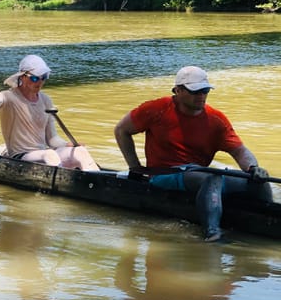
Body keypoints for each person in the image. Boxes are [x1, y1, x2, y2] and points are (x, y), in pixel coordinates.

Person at [114, 65, 272, 242]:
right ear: (178, 90)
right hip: (164, 174)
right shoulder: (156, 108)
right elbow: (121, 130)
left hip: (198, 175)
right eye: (195, 91)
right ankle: (212, 233)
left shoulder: (216, 119)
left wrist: (253, 168)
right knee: (211, 177)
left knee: (260, 182)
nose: (201, 96)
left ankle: (269, 222)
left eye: (205, 91)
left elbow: (240, 150)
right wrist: (135, 167)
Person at [0, 54, 99, 169]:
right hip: (19, 157)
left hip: (42, 154)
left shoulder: (46, 100)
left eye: (43, 77)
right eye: (34, 78)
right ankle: (64, 185)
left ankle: (98, 182)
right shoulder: (8, 97)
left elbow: (52, 139)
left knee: (80, 151)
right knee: (49, 155)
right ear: (22, 77)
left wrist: (67, 145)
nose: (39, 82)